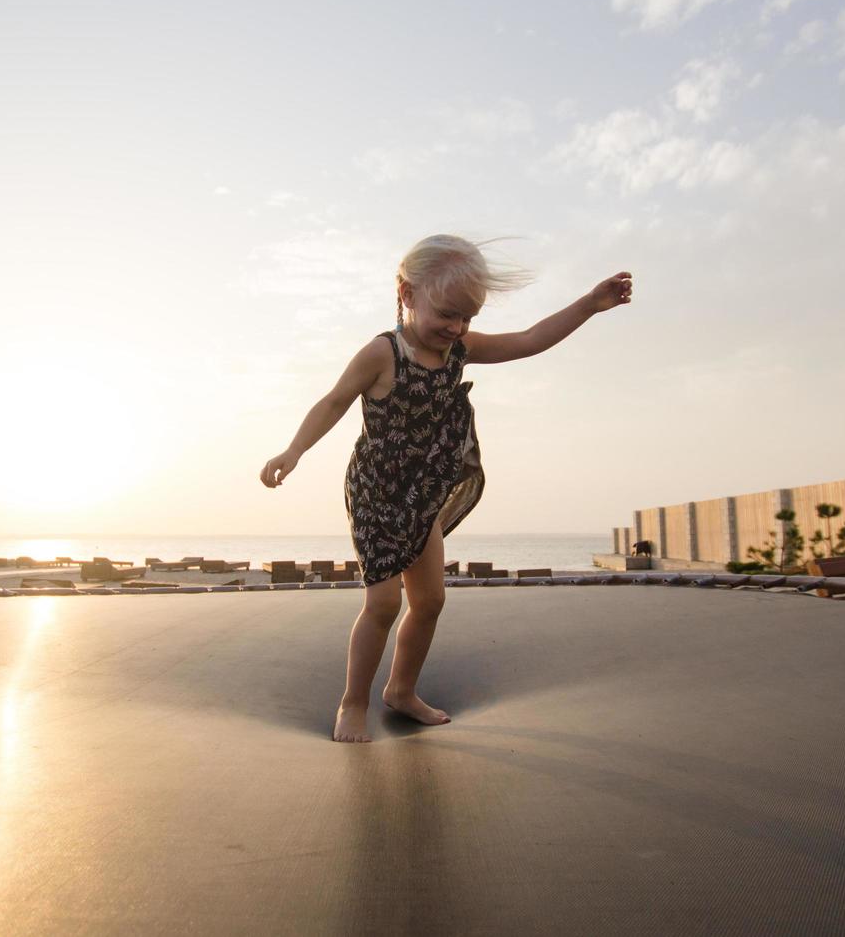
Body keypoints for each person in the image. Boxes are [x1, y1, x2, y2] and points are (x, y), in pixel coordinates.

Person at [259, 234, 632, 742]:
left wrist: (589, 305)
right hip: (377, 495)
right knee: (384, 604)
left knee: (430, 601)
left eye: (467, 319)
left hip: (424, 494)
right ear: (408, 294)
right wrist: (293, 450)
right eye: (448, 314)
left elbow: (528, 340)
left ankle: (401, 690)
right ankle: (352, 702)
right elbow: (333, 403)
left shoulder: (460, 349)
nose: (456, 328)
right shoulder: (381, 353)